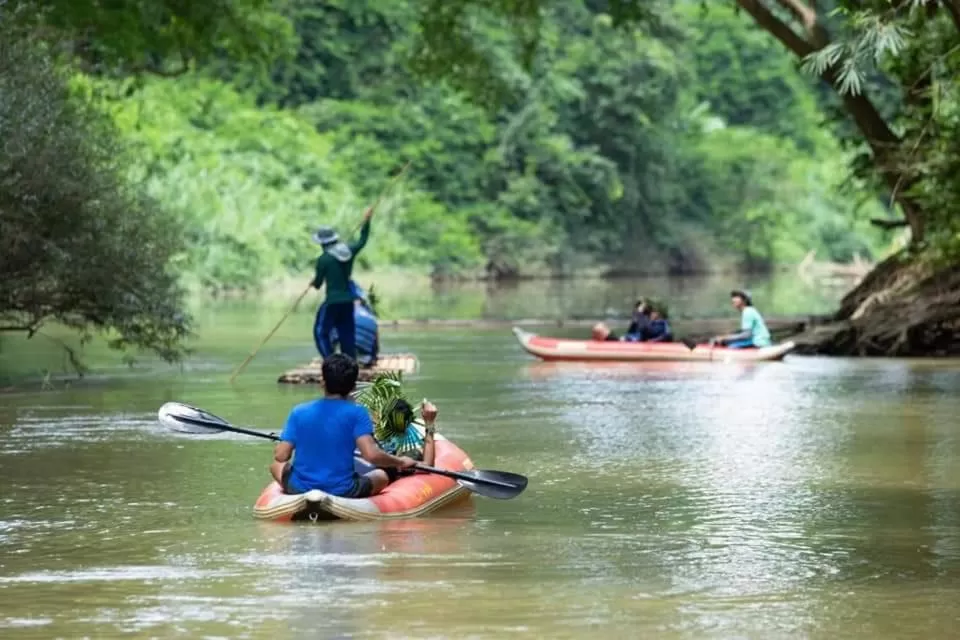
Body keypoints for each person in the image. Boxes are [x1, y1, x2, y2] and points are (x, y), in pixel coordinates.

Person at [270, 354, 416, 498]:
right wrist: (401, 461)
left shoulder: (298, 411)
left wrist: (286, 442)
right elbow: (371, 455)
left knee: (275, 465)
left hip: (300, 488)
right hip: (343, 490)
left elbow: (281, 456)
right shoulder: (358, 413)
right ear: (353, 387)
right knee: (382, 476)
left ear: (323, 382)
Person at [311, 208, 373, 360]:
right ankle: (350, 363)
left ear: (322, 243)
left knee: (321, 332)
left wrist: (314, 282)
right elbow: (362, 241)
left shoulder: (323, 259)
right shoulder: (348, 251)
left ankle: (330, 361)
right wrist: (366, 221)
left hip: (332, 302)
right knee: (347, 334)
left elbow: (318, 284)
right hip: (348, 301)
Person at [314, 280, 379, 366]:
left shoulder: (333, 308)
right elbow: (375, 345)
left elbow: (321, 334)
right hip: (364, 357)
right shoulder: (369, 315)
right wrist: (373, 358)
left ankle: (331, 361)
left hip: (341, 353)